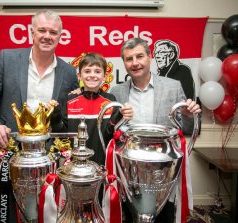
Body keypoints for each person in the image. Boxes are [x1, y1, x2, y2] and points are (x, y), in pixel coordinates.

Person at [110, 37, 201, 223]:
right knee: (128, 215)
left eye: (139, 56)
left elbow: (188, 128)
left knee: (163, 216)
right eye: (129, 59)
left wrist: (189, 116)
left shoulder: (173, 87)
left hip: (162, 171)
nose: (135, 63)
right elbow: (110, 129)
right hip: (130, 172)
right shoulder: (117, 91)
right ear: (124, 63)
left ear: (149, 57)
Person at [0, 9, 79, 170]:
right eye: (42, 30)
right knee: (8, 196)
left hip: (50, 153)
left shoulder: (69, 72)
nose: (47, 36)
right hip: (9, 148)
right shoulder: (7, 59)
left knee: (48, 195)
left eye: (53, 32)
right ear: (32, 32)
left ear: (60, 37)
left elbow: (69, 117)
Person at [52, 52, 133, 166]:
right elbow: (62, 134)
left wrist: (120, 115)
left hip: (101, 165)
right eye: (87, 71)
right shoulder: (70, 100)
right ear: (79, 76)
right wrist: (55, 116)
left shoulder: (110, 101)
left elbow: (110, 134)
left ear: (104, 76)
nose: (92, 75)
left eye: (97, 71)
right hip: (73, 166)